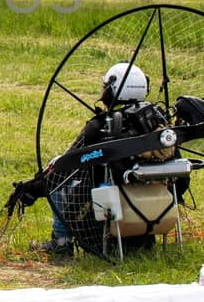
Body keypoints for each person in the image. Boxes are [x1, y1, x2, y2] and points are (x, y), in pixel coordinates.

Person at [8, 61, 155, 261]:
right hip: (152, 220)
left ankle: (61, 242)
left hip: (108, 213)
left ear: (111, 89)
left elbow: (65, 168)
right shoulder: (157, 123)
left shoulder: (101, 127)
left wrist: (32, 190)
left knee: (59, 165)